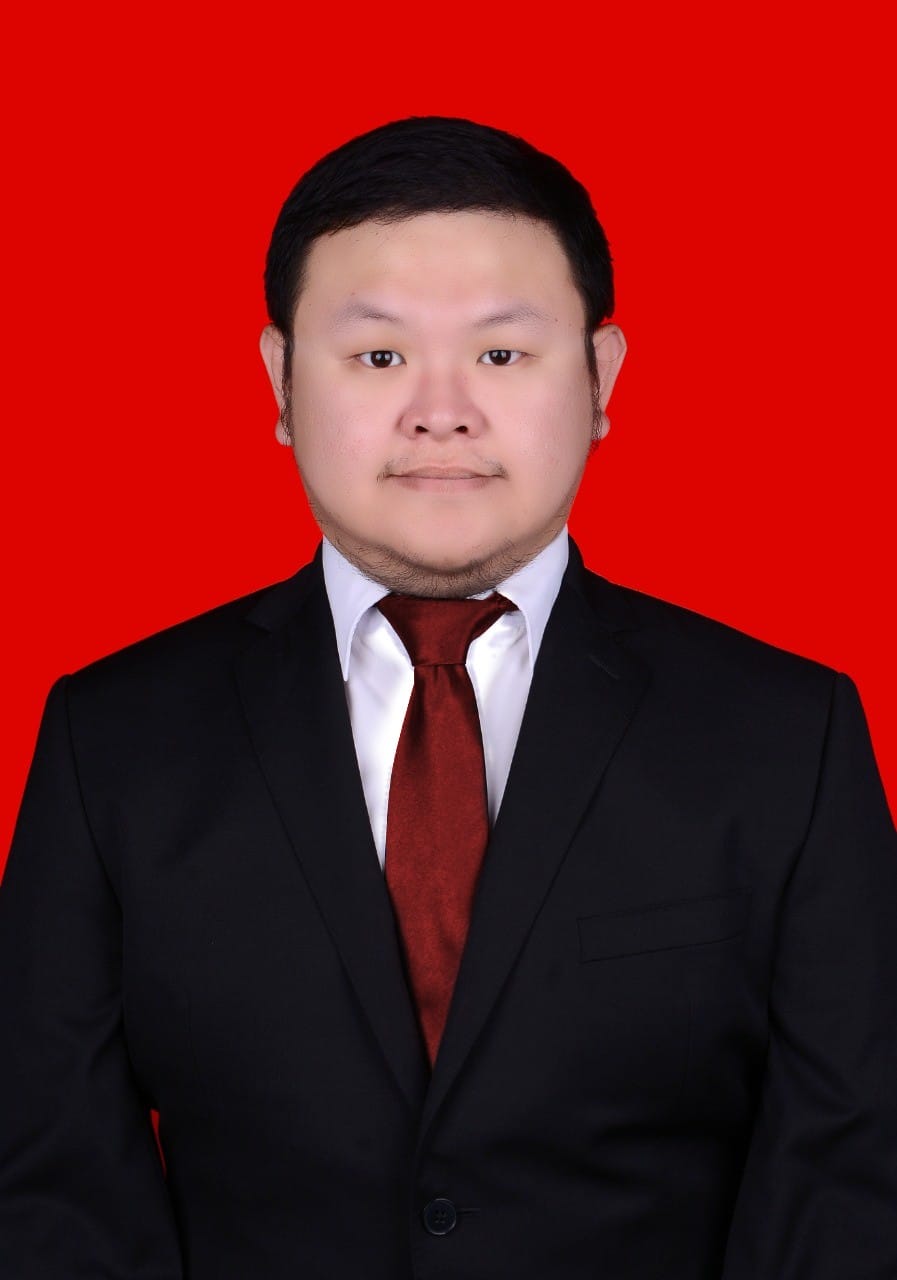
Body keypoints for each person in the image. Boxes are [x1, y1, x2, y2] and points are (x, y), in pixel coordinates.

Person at [1, 116, 895, 1280]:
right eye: (378, 357)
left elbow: (850, 1166)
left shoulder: (786, 733)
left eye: (502, 354)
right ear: (279, 379)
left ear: (602, 376)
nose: (440, 410)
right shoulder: (112, 736)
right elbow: (50, 1174)